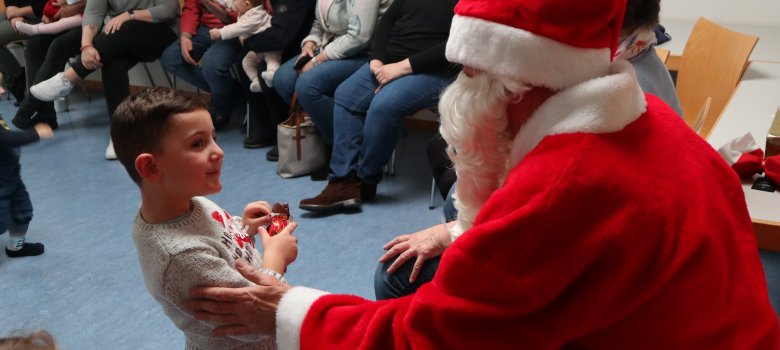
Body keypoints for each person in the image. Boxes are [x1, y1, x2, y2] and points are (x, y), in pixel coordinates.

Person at [185, 0, 780, 348]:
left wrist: (288, 310)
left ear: (510, 80)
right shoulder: (657, 129)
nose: (456, 93)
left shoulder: (559, 191)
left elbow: (426, 339)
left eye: (468, 75)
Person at [374, 0, 685, 300]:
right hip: (565, 244)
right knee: (446, 164)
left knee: (393, 277)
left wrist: (452, 233)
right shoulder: (621, 71)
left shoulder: (612, 110)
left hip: (578, 274)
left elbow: (546, 219)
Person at [111, 87, 299, 349]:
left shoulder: (190, 201)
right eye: (198, 143)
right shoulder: (180, 257)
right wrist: (276, 259)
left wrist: (244, 228)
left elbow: (218, 238)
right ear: (152, 167)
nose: (219, 151)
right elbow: (255, 319)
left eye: (214, 137)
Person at [299, 0, 459, 211]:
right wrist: (376, 60)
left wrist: (403, 68)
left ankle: (366, 180)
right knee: (346, 95)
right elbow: (387, 23)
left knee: (383, 106)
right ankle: (343, 181)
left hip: (433, 69)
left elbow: (456, 45)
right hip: (390, 61)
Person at [28, 0, 179, 160]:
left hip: (162, 30)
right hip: (120, 36)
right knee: (113, 61)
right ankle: (120, 134)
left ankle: (69, 78)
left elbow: (169, 9)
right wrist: (86, 46)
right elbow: (93, 13)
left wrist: (129, 16)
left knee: (125, 28)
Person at [268, 0, 391, 164]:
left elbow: (359, 37)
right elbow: (320, 21)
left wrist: (318, 60)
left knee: (306, 85)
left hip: (366, 53)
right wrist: (310, 42)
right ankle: (319, 135)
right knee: (282, 79)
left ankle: (339, 146)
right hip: (330, 46)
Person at [236, 0, 314, 151]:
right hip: (278, 39)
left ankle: (284, 132)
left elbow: (282, 36)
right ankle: (267, 127)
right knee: (242, 61)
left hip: (301, 43)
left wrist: (249, 42)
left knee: (268, 71)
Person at [159, 0, 241, 131]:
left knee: (212, 65)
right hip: (204, 29)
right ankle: (229, 92)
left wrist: (218, 11)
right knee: (171, 59)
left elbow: (251, 14)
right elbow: (191, 8)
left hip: (234, 29)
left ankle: (220, 110)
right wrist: (185, 35)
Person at [9, 0, 85, 131]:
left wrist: (76, 7)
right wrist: (49, 14)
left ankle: (27, 107)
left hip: (93, 19)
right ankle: (46, 114)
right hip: (65, 18)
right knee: (35, 44)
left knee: (59, 45)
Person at [1, 114, 53, 258]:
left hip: (11, 177)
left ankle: (15, 247)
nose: (2, 91)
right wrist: (36, 134)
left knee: (23, 212)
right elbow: (5, 138)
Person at [208, 0, 282, 94]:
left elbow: (238, 28)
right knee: (246, 62)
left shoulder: (256, 16)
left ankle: (271, 74)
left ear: (247, 4)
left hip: (270, 45)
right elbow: (228, 2)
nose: (232, 2)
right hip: (256, 48)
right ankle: (256, 80)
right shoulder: (244, 7)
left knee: (272, 58)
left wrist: (221, 32)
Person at [15, 0, 84, 36]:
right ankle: (37, 27)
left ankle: (34, 30)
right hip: (72, 6)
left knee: (63, 23)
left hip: (85, 14)